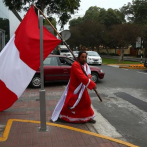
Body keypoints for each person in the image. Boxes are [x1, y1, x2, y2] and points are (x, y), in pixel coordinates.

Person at [51, 51, 97, 123]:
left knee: (86, 102)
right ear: (78, 57)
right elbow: (82, 77)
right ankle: (63, 116)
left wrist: (88, 77)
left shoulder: (85, 65)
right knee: (70, 103)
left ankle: (87, 117)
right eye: (82, 57)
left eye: (85, 57)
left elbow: (88, 74)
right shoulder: (75, 65)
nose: (84, 59)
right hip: (75, 88)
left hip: (82, 87)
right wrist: (92, 85)